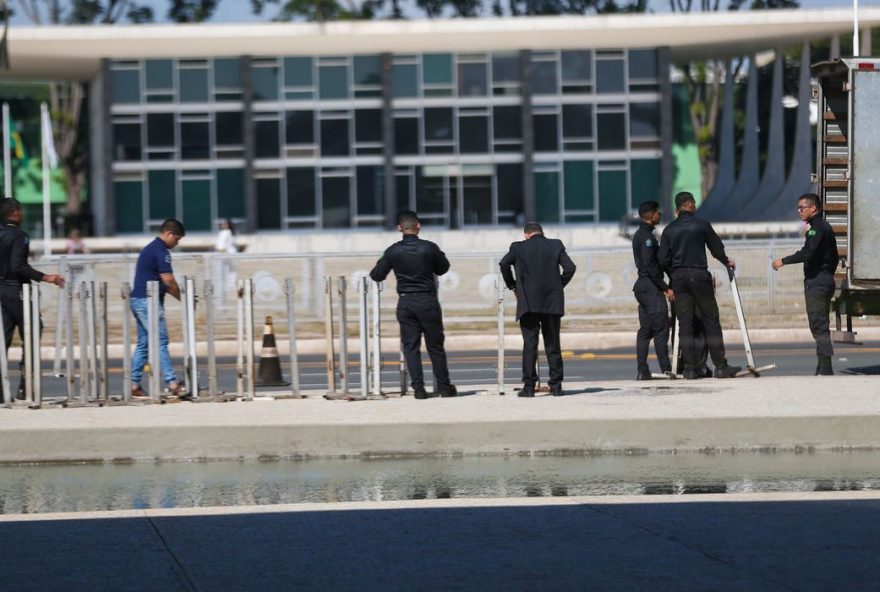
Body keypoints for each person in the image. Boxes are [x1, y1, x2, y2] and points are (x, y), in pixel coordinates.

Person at [369, 211, 457, 399]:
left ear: (399, 228)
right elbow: (443, 268)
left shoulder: (392, 250)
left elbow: (376, 275)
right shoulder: (430, 247)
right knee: (435, 347)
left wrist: (385, 259)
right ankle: (444, 387)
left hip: (406, 301)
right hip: (427, 300)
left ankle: (418, 389)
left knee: (411, 347)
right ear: (418, 226)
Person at [658, 192, 741, 379]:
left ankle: (690, 368)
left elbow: (662, 259)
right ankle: (720, 365)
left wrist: (675, 273)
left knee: (685, 324)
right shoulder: (702, 225)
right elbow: (716, 248)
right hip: (699, 275)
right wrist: (726, 261)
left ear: (677, 208)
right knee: (710, 319)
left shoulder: (669, 230)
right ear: (690, 204)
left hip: (679, 278)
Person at [499, 222, 577, 397]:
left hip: (528, 303)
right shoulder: (555, 245)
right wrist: (558, 285)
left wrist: (513, 286)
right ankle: (556, 386)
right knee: (553, 345)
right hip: (551, 303)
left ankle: (528, 387)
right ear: (542, 232)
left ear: (526, 235)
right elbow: (570, 268)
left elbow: (504, 264)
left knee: (530, 345)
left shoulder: (518, 247)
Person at [0, 198, 65, 402]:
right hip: (17, 292)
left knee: (3, 341)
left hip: (1, 292)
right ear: (17, 213)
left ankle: (1, 394)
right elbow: (18, 266)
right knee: (32, 333)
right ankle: (26, 388)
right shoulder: (20, 236)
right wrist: (47, 277)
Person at [772, 193, 839, 375]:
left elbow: (807, 252)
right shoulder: (820, 227)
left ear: (813, 208)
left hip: (818, 281)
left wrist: (783, 261)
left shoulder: (816, 228)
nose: (799, 211)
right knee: (819, 322)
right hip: (822, 279)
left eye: (802, 208)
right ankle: (822, 366)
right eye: (798, 208)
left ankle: (825, 367)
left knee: (818, 324)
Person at [130, 218, 187, 399]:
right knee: (160, 341)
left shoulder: (151, 248)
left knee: (144, 343)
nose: (176, 243)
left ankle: (133, 384)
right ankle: (172, 383)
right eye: (176, 239)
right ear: (169, 234)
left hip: (138, 299)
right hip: (148, 302)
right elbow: (168, 281)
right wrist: (184, 299)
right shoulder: (161, 251)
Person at [631, 201, 673, 380]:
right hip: (650, 287)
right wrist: (665, 288)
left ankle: (643, 370)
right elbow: (650, 266)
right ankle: (666, 369)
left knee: (646, 329)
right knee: (661, 328)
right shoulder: (647, 238)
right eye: (657, 213)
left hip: (643, 287)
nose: (660, 216)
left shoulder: (640, 234)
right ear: (650, 215)